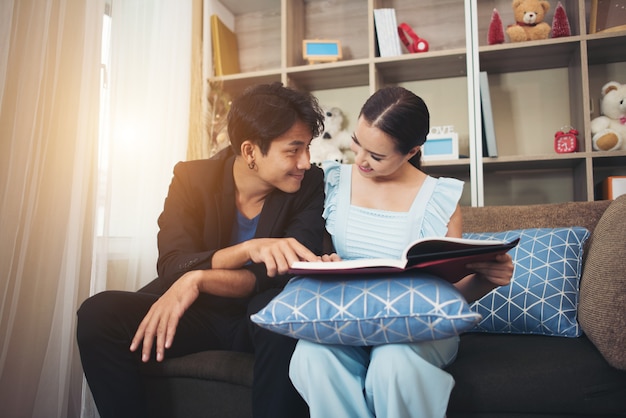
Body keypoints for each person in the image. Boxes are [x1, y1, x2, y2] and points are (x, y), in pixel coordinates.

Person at [76, 82, 327, 418]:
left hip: (257, 313)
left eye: (308, 148)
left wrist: (198, 280)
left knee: (281, 315)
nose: (306, 162)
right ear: (250, 151)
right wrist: (248, 249)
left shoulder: (309, 186)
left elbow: (277, 273)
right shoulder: (191, 178)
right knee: (98, 314)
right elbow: (172, 264)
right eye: (293, 150)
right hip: (197, 315)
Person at [288, 86, 514, 418]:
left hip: (417, 325)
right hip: (350, 317)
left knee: (393, 362)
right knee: (312, 356)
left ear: (411, 152)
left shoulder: (439, 199)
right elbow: (319, 258)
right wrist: (323, 264)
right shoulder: (334, 182)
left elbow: (447, 297)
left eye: (376, 156)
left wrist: (487, 281)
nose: (360, 160)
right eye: (357, 143)